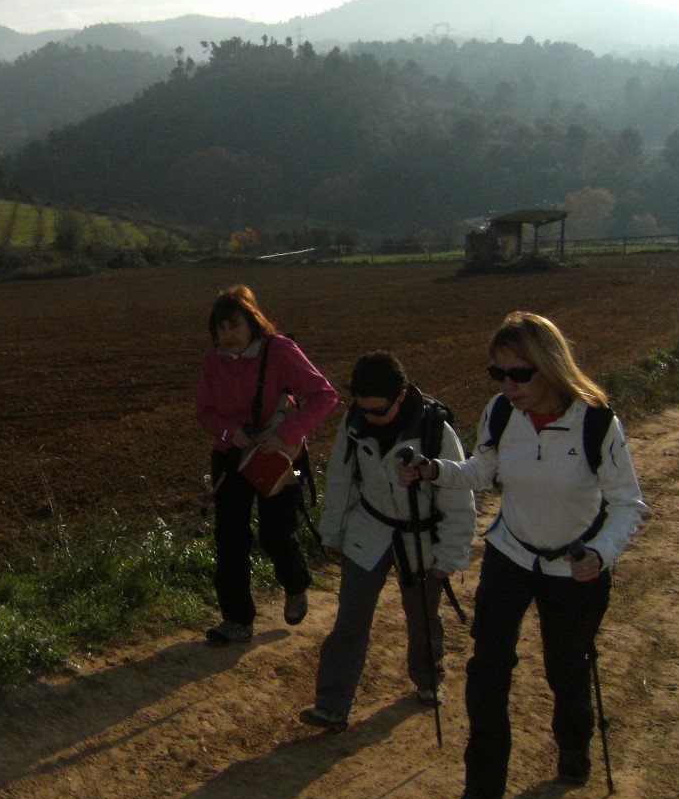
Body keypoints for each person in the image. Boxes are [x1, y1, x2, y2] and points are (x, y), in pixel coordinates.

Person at [401, 311, 647, 799]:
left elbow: (627, 504)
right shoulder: (500, 413)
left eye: (519, 374)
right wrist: (433, 471)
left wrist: (599, 554)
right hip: (510, 554)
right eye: (500, 374)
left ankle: (574, 745)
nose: (507, 385)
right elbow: (484, 472)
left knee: (566, 666)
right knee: (487, 672)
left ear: (551, 368)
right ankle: (482, 791)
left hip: (573, 566)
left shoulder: (596, 420)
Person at [302, 352, 476, 731]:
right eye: (362, 408)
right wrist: (331, 531)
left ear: (400, 395)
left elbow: (459, 497)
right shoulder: (353, 422)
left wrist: (449, 555)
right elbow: (340, 478)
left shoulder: (435, 430)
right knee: (350, 618)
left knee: (422, 616)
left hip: (421, 537)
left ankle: (428, 679)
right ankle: (331, 705)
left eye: (377, 410)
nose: (370, 417)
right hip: (369, 530)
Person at [196, 285, 339, 644]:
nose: (227, 336)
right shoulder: (213, 360)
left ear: (253, 324)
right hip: (232, 457)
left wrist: (286, 434)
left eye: (234, 326)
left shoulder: (279, 351)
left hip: (278, 457)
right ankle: (237, 619)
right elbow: (205, 412)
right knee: (230, 538)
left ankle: (294, 583)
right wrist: (230, 432)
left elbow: (324, 395)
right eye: (221, 329)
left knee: (276, 534)